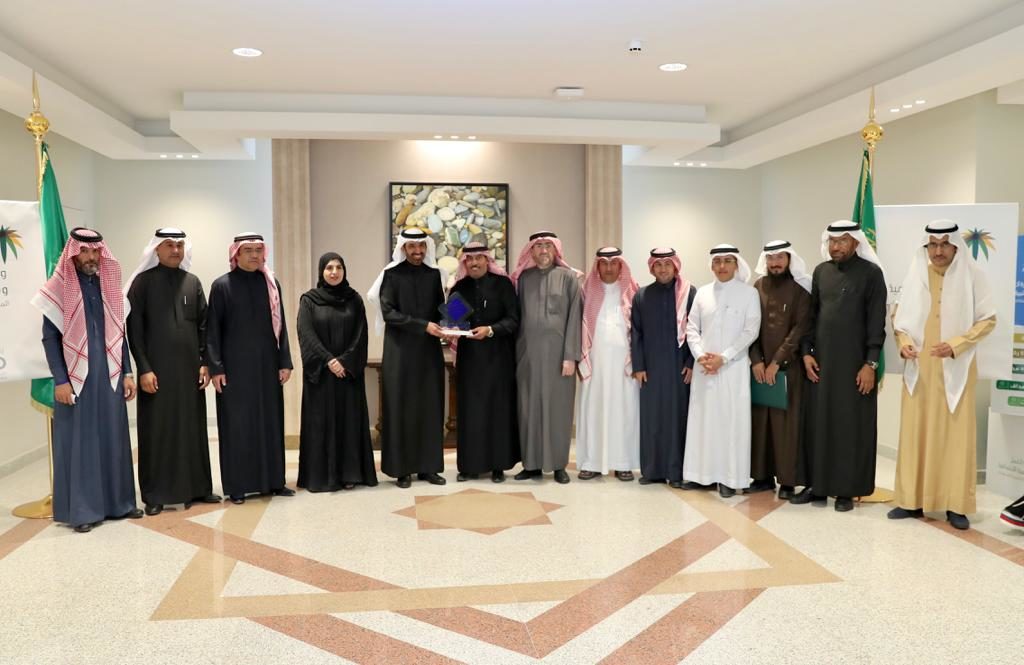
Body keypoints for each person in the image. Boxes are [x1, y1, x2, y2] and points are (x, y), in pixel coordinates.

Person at [32, 227, 142, 533]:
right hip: (75, 379)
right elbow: (49, 339)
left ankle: (120, 504)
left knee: (113, 437)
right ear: (73, 254)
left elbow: (119, 335)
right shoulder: (57, 289)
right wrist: (60, 381)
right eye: (84, 251)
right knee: (81, 443)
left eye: (95, 251)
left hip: (110, 377)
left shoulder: (109, 286)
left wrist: (128, 372)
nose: (91, 257)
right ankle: (83, 512)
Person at [889, 221, 996, 530]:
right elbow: (899, 319)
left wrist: (956, 344)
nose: (938, 251)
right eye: (933, 245)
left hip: (956, 367)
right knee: (916, 433)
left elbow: (988, 319)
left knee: (955, 438)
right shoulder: (915, 274)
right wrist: (904, 344)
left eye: (944, 245)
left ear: (955, 247)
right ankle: (911, 501)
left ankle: (956, 505)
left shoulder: (973, 275)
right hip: (920, 369)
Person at [792, 220, 887, 512]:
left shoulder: (871, 274)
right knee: (818, 425)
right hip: (822, 364)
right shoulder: (821, 272)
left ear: (856, 242)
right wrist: (806, 353)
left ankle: (846, 489)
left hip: (855, 366)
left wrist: (870, 364)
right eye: (832, 241)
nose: (836, 246)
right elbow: (812, 317)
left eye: (843, 240)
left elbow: (877, 323)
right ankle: (817, 486)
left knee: (849, 426)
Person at [125, 228, 220, 515]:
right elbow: (134, 331)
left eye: (179, 245)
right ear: (156, 249)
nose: (175, 250)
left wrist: (204, 362)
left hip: (190, 373)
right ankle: (156, 494)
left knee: (192, 429)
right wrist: (144, 368)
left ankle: (199, 488)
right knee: (158, 432)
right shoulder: (142, 284)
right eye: (169, 245)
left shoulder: (192, 282)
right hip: (156, 374)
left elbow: (204, 325)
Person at [207, 232, 294, 504]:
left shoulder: (271, 284)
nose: (255, 255)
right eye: (249, 251)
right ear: (237, 254)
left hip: (267, 367)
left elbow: (281, 327)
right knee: (238, 427)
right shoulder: (221, 286)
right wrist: (216, 368)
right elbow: (212, 331)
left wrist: (285, 361)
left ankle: (274, 482)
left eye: (259, 250)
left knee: (270, 423)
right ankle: (238, 486)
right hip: (234, 370)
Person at [368, 228, 447, 488]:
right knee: (400, 407)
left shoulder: (434, 275)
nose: (417, 251)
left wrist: (457, 318)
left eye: (421, 246)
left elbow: (441, 311)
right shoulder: (391, 275)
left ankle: (428, 468)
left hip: (428, 353)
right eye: (412, 247)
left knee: (429, 407)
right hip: (399, 353)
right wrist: (423, 325)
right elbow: (389, 313)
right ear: (403, 248)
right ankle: (402, 469)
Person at [682, 245, 761, 497]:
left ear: (736, 264)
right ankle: (700, 476)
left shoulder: (749, 294)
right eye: (717, 261)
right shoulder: (703, 293)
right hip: (705, 367)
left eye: (727, 261)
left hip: (732, 369)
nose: (722, 266)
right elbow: (691, 328)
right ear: (711, 265)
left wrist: (724, 358)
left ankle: (729, 478)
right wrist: (700, 356)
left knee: (730, 423)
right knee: (703, 422)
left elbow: (751, 331)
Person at [296, 252, 377, 492]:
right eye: (329, 268)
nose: (334, 272)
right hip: (321, 375)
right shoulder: (309, 300)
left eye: (338, 267)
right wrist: (329, 360)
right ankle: (321, 476)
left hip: (348, 375)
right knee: (321, 423)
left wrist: (345, 361)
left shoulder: (354, 299)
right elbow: (306, 333)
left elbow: (361, 335)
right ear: (321, 271)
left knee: (348, 423)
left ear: (344, 270)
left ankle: (350, 473)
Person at [510, 231, 582, 484]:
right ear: (531, 251)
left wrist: (570, 356)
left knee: (558, 410)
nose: (543, 251)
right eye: (538, 246)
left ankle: (558, 465)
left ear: (555, 250)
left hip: (559, 358)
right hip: (527, 356)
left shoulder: (569, 278)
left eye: (547, 246)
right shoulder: (523, 279)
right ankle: (531, 465)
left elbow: (575, 319)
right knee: (528, 409)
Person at [447, 242, 521, 482]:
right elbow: (453, 322)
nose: (474, 263)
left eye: (479, 258)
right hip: (470, 361)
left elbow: (513, 320)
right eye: (469, 259)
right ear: (465, 262)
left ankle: (498, 466)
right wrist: (452, 326)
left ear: (487, 260)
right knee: (471, 413)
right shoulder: (459, 287)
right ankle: (469, 466)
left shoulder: (503, 285)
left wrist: (490, 330)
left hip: (499, 359)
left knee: (497, 412)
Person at [748, 240, 812, 500]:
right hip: (760, 369)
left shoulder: (800, 289)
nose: (774, 263)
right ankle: (761, 477)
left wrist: (777, 362)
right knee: (761, 423)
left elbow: (800, 329)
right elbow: (750, 327)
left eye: (780, 258)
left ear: (789, 259)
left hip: (789, 369)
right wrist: (756, 360)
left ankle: (787, 481)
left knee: (786, 426)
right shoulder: (758, 287)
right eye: (770, 258)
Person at [631, 248, 697, 487]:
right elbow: (636, 333)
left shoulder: (689, 293)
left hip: (679, 368)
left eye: (667, 264)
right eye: (658, 265)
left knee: (677, 419)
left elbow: (697, 330)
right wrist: (639, 366)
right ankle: (652, 471)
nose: (663, 269)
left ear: (675, 266)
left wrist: (691, 363)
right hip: (651, 369)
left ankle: (676, 472)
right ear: (652, 268)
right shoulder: (641, 295)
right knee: (652, 420)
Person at [576, 247, 640, 481]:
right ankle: (591, 462)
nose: (609, 268)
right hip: (595, 366)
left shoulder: (634, 293)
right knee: (593, 411)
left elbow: (640, 331)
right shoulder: (587, 293)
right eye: (604, 263)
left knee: (625, 412)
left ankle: (623, 463)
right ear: (598, 266)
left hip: (624, 367)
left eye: (614, 263)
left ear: (621, 265)